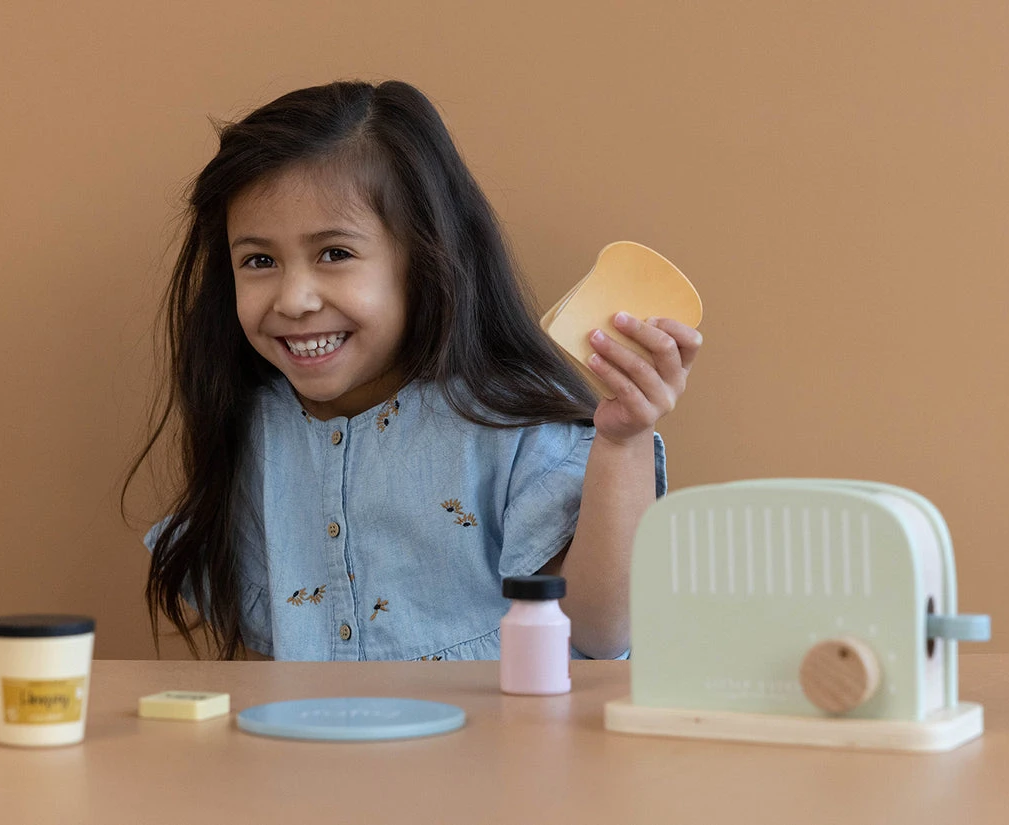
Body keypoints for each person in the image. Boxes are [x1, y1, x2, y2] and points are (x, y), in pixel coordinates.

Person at [127, 79, 702, 662]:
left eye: (335, 253)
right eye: (259, 260)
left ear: (423, 260)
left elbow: (602, 634)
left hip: (497, 752)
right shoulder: (258, 428)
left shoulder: (506, 420)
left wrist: (623, 441)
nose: (293, 299)